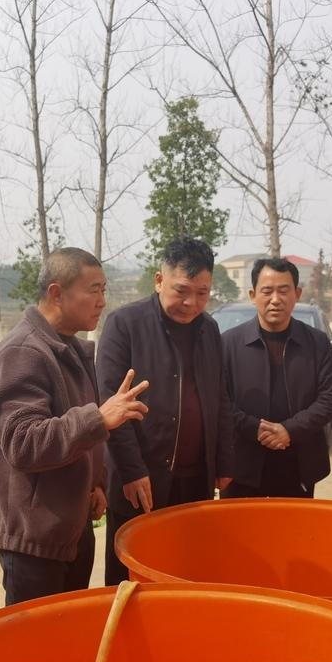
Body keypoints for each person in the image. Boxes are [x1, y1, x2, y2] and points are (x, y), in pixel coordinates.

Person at [0, 247, 148, 605]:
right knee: (38, 636)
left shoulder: (67, 349)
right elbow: (23, 442)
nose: (102, 301)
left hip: (68, 523)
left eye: (104, 290)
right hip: (34, 536)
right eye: (93, 290)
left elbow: (73, 435)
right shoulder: (24, 352)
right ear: (56, 293)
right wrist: (99, 417)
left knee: (67, 630)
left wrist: (94, 482)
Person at [96, 236, 235, 586]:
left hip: (195, 478)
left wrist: (223, 462)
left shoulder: (210, 329)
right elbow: (111, 403)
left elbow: (219, 398)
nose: (191, 303)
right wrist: (131, 471)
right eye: (181, 291)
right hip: (141, 478)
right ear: (159, 280)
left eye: (202, 293)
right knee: (131, 575)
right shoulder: (125, 325)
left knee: (185, 568)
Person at [221, 257, 332, 498]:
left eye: (284, 290)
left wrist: (290, 430)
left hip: (299, 463)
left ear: (297, 293)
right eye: (267, 291)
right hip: (242, 465)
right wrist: (255, 429)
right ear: (253, 295)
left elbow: (330, 399)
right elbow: (219, 401)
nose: (275, 299)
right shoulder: (228, 343)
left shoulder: (316, 342)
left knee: (295, 523)